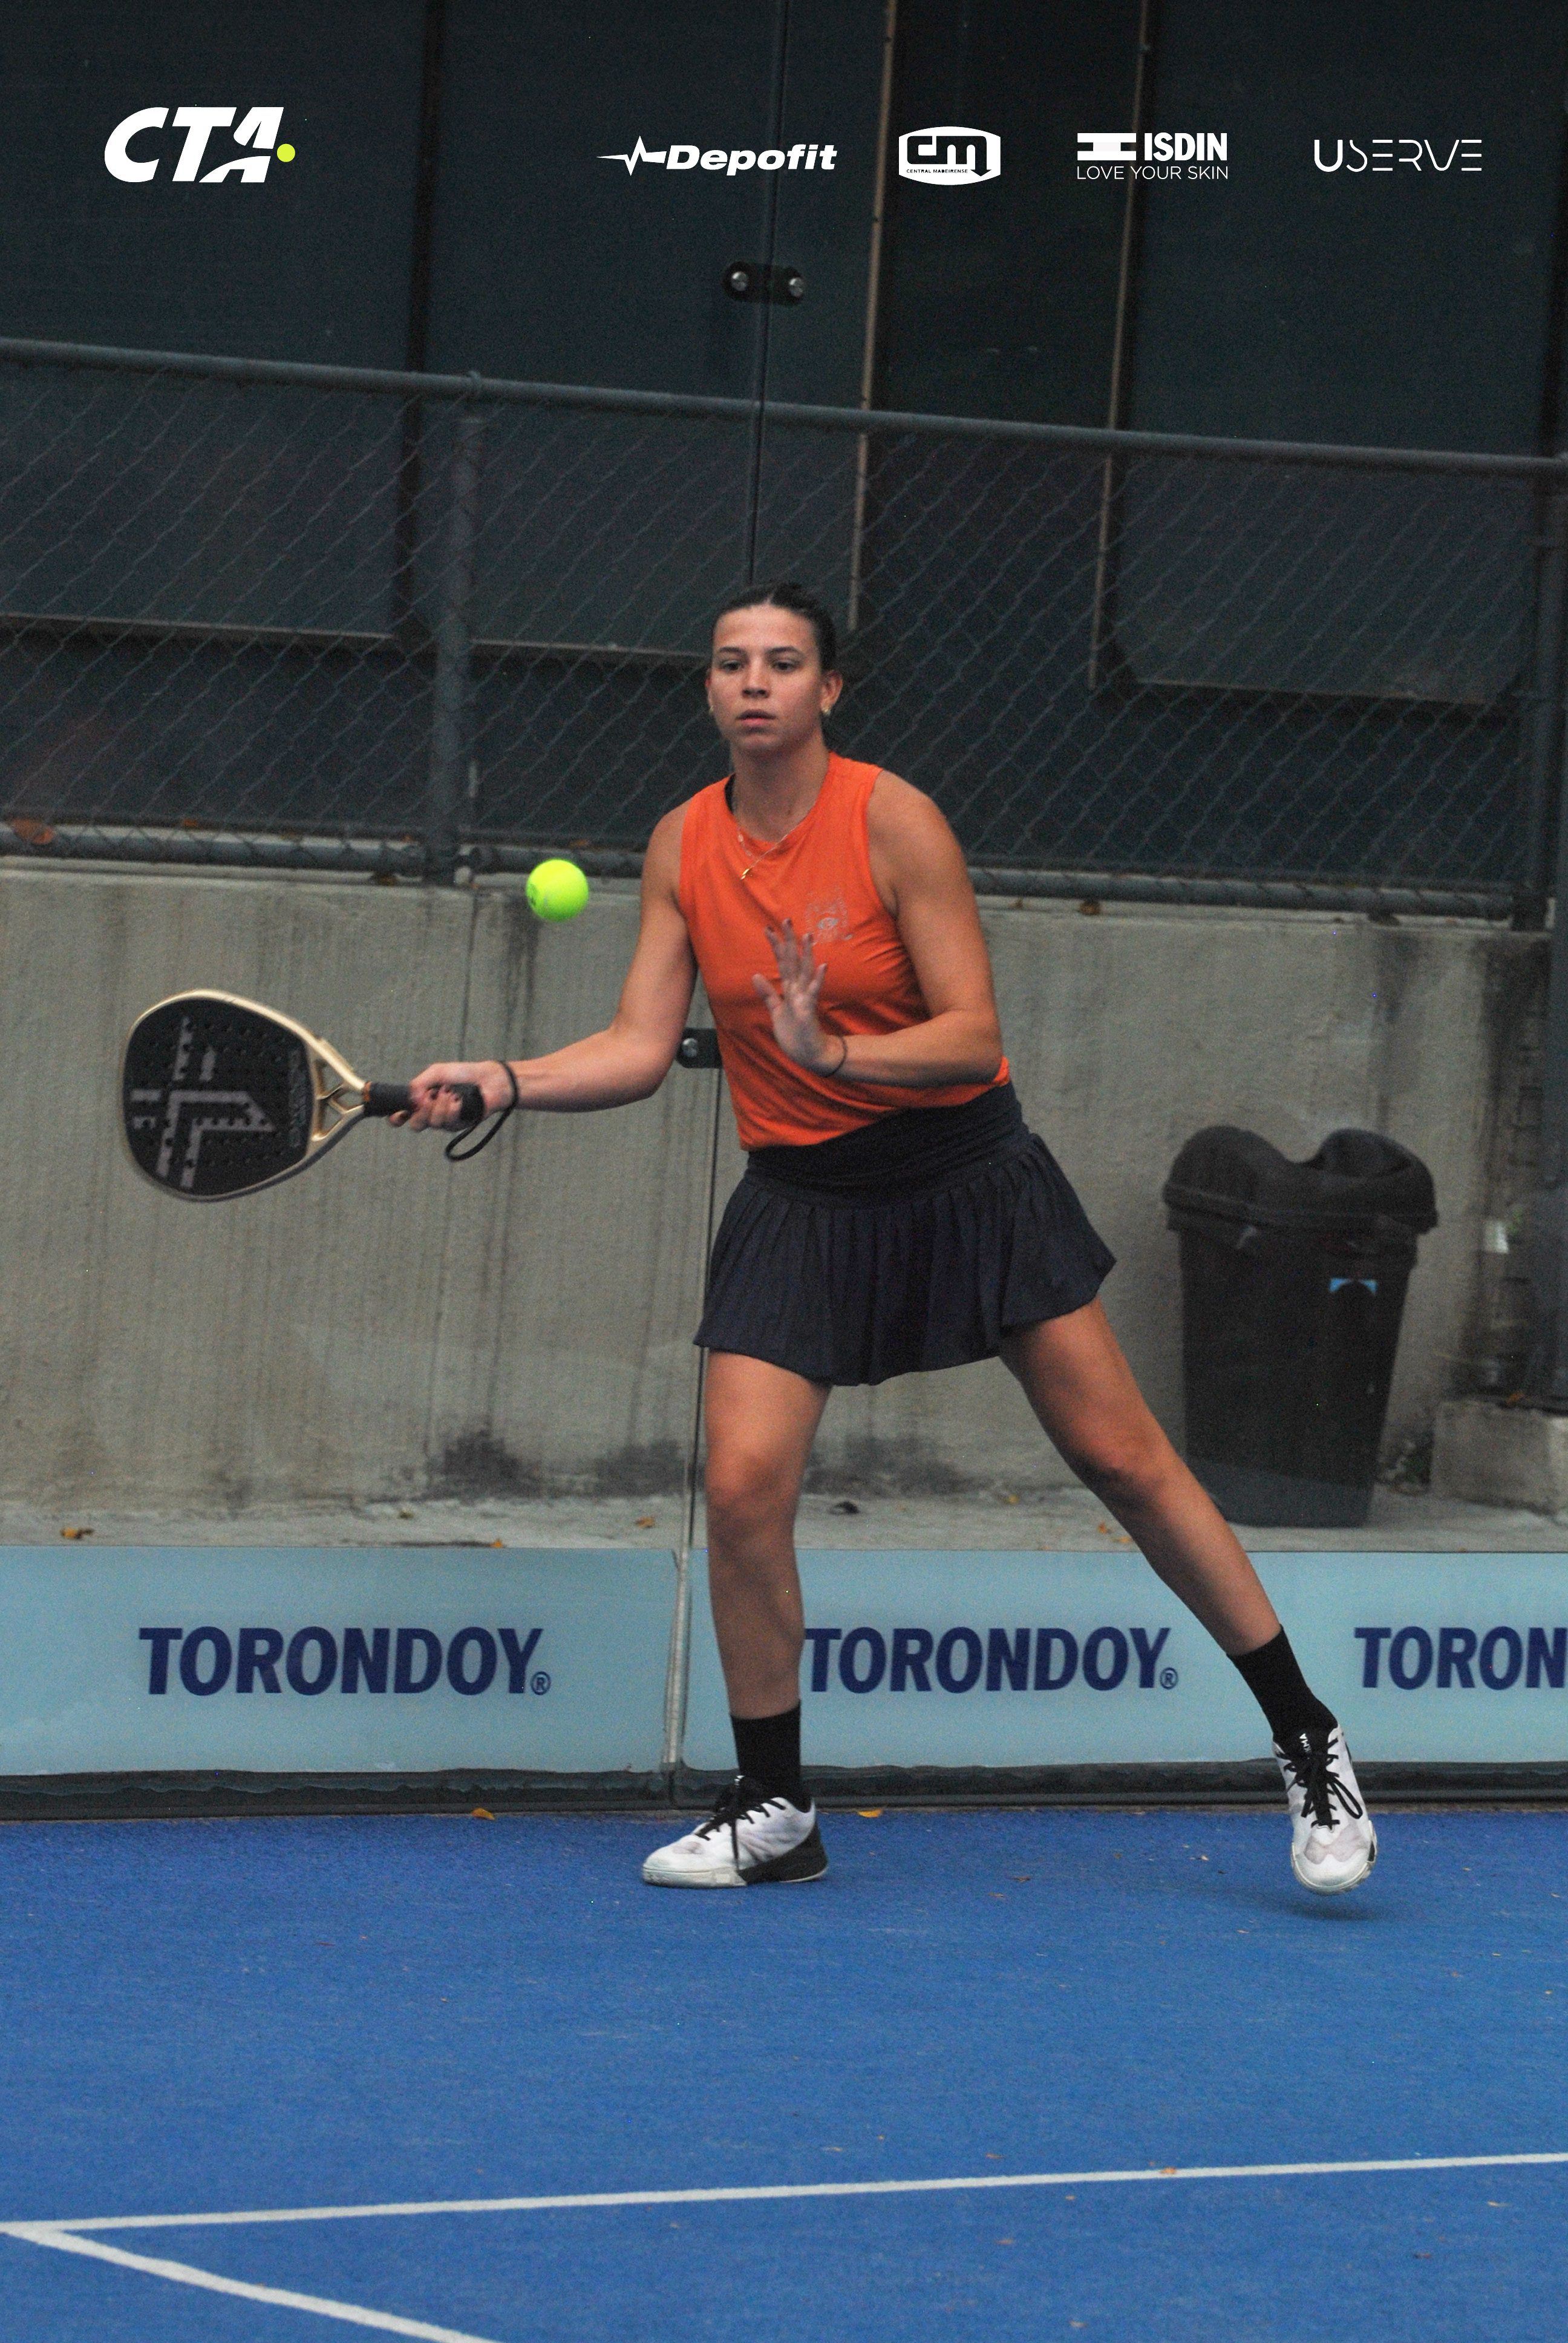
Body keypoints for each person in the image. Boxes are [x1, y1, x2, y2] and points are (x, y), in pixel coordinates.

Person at [399, 580, 1376, 1899]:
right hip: (802, 1201)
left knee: (1124, 1460)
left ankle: (1309, 1740)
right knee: (741, 1488)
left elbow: (974, 1033)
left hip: (963, 1175)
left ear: (827, 691)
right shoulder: (683, 845)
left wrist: (834, 1045)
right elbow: (639, 1047)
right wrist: (503, 1078)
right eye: (731, 661)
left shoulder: (894, 820)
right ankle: (774, 1807)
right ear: (709, 690)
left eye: (784, 663)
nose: (755, 683)